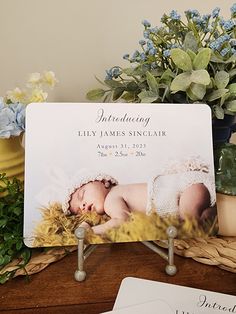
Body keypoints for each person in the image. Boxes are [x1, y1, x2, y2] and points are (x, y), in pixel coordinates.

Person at [62, 158, 216, 235]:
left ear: (103, 182)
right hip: (189, 188)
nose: (82, 206)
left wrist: (92, 231)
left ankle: (203, 217)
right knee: (195, 217)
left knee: (188, 222)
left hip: (184, 189)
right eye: (78, 211)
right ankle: (208, 214)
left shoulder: (111, 199)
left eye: (82, 195)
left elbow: (121, 220)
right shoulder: (120, 192)